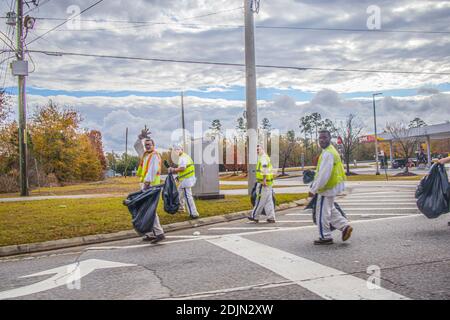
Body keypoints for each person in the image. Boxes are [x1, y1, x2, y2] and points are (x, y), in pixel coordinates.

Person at [309, 130, 353, 245]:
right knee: (330, 210)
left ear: (329, 138)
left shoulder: (328, 153)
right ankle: (345, 226)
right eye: (320, 138)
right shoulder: (330, 151)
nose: (322, 140)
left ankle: (325, 236)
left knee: (322, 213)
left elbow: (324, 174)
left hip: (326, 188)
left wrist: (314, 189)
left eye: (324, 137)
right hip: (332, 186)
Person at [134, 131, 165, 243]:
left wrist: (146, 184)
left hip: (151, 185)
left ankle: (159, 232)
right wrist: (141, 137)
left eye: (149, 144)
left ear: (153, 145)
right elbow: (136, 146)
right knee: (146, 209)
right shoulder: (145, 155)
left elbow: (152, 170)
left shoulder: (154, 155)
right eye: (146, 144)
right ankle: (151, 233)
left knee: (150, 209)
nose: (147, 146)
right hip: (145, 185)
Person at [168, 145, 199, 219]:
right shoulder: (185, 156)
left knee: (188, 197)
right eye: (175, 150)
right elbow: (185, 169)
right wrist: (179, 177)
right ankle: (181, 208)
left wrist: (173, 169)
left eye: (178, 149)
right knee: (179, 194)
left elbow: (183, 168)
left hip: (186, 181)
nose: (176, 151)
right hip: (186, 179)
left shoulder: (182, 157)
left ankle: (194, 213)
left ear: (182, 149)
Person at [248, 144, 276, 223]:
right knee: (268, 201)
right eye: (256, 150)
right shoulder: (266, 157)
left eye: (258, 149)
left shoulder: (263, 158)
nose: (257, 151)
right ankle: (271, 217)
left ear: (263, 149)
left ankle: (254, 216)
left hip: (263, 184)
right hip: (269, 184)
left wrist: (263, 180)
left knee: (259, 200)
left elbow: (264, 167)